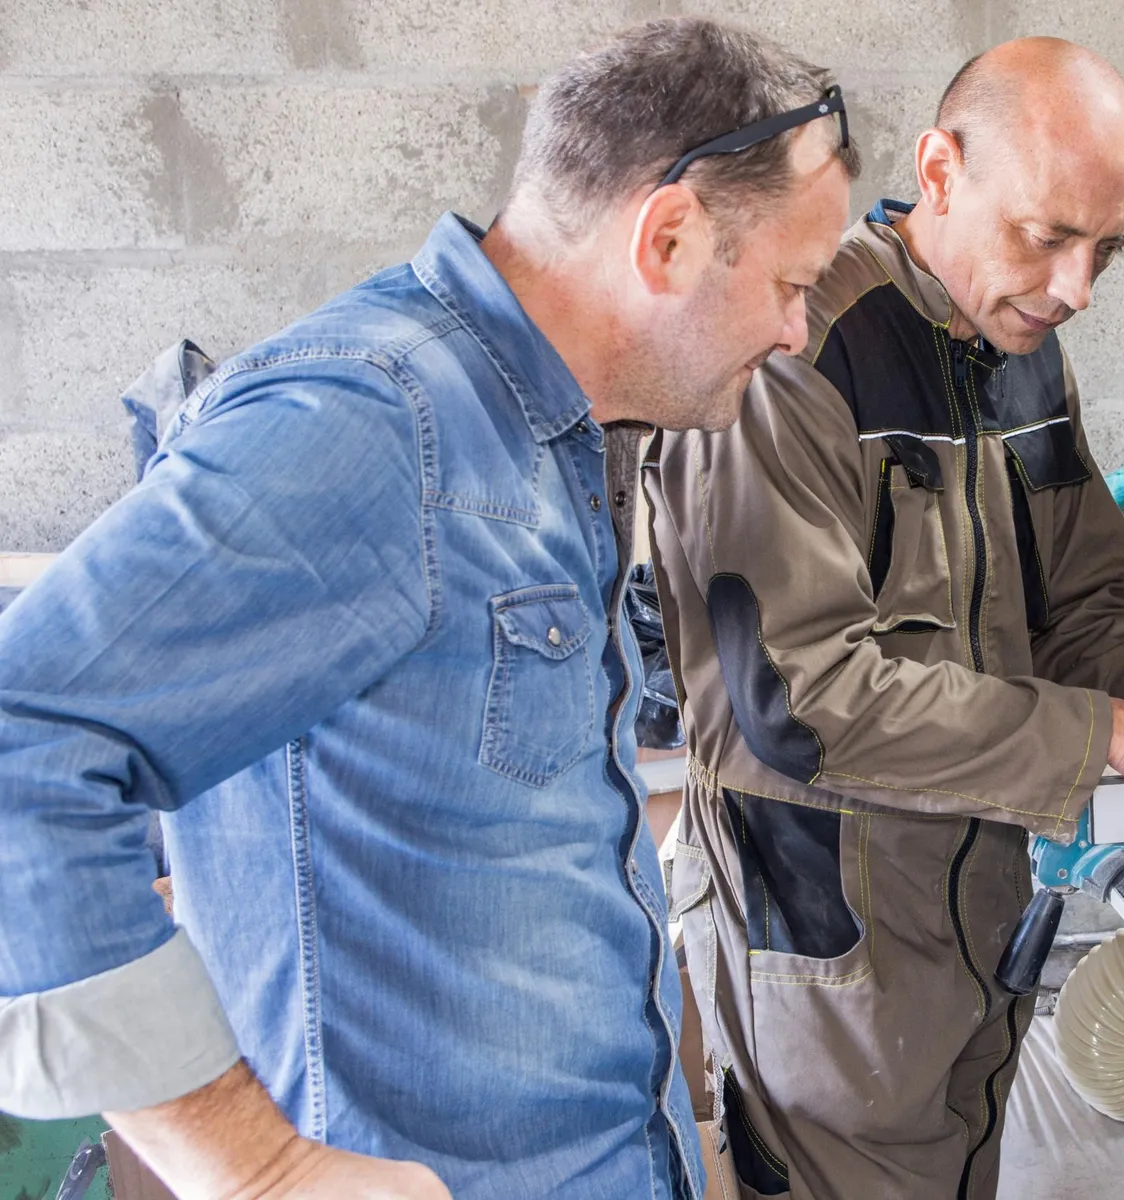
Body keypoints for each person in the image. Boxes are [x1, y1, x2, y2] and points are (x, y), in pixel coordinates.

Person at [0, 18, 857, 1199]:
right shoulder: (378, 422)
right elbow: (21, 747)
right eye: (793, 284)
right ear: (669, 237)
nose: (795, 332)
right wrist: (255, 1171)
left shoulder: (545, 433)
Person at [646, 37, 1124, 1200]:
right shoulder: (800, 361)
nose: (1078, 288)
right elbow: (800, 699)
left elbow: (1085, 612)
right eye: (1048, 237)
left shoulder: (1017, 349)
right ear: (940, 172)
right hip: (833, 966)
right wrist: (1122, 739)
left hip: (970, 932)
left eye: (1102, 246)